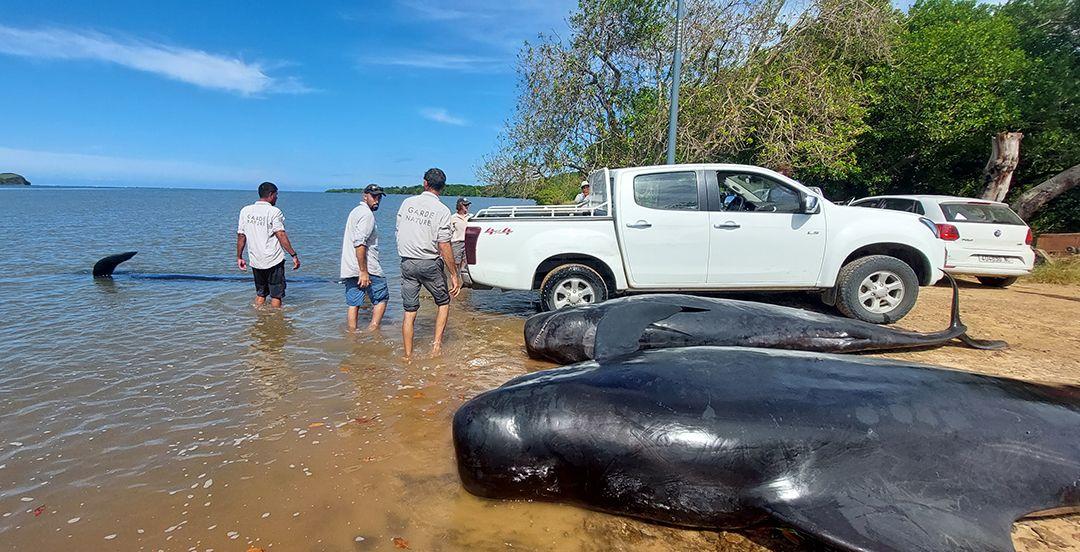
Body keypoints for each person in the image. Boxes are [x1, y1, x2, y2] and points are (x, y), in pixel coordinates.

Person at [396, 168, 461, 359]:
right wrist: (454, 274)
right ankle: (436, 347)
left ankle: (407, 355)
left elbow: (398, 230)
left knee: (409, 311)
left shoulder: (407, 203)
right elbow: (444, 245)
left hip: (407, 262)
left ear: (425, 183)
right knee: (443, 302)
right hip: (429, 263)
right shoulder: (442, 210)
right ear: (443, 187)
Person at [236, 181, 300, 308]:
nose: (277, 197)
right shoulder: (274, 211)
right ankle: (275, 323)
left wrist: (239, 257)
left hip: (255, 260)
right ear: (271, 195)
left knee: (261, 294)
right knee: (276, 295)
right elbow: (280, 234)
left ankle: (259, 320)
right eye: (276, 195)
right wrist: (293, 255)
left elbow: (241, 236)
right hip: (273, 259)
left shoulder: (245, 211)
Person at [340, 184, 389, 331]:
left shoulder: (355, 212)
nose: (377, 200)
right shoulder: (367, 215)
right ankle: (372, 331)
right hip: (368, 267)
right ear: (365, 196)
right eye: (374, 197)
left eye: (379, 197)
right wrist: (363, 271)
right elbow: (360, 242)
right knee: (382, 298)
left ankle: (352, 335)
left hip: (350, 266)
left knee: (353, 303)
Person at [450, 197, 471, 274]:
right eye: (465, 205)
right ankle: (455, 279)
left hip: (468, 243)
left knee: (466, 262)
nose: (467, 206)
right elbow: (450, 232)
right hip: (457, 243)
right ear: (459, 206)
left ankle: (464, 281)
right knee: (456, 263)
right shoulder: (453, 217)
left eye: (468, 205)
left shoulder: (471, 217)